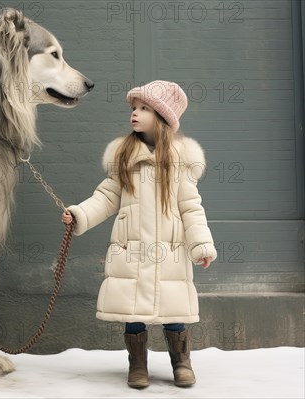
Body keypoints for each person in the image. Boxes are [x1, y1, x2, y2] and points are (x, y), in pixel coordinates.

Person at [61, 80, 216, 389]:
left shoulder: (179, 161)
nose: (135, 113)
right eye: (134, 108)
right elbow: (105, 198)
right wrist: (79, 214)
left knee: (174, 311)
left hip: (169, 253)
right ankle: (137, 364)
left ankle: (181, 362)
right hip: (131, 251)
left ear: (162, 116)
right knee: (133, 312)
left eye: (144, 108)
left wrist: (201, 245)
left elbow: (191, 207)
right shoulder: (125, 158)